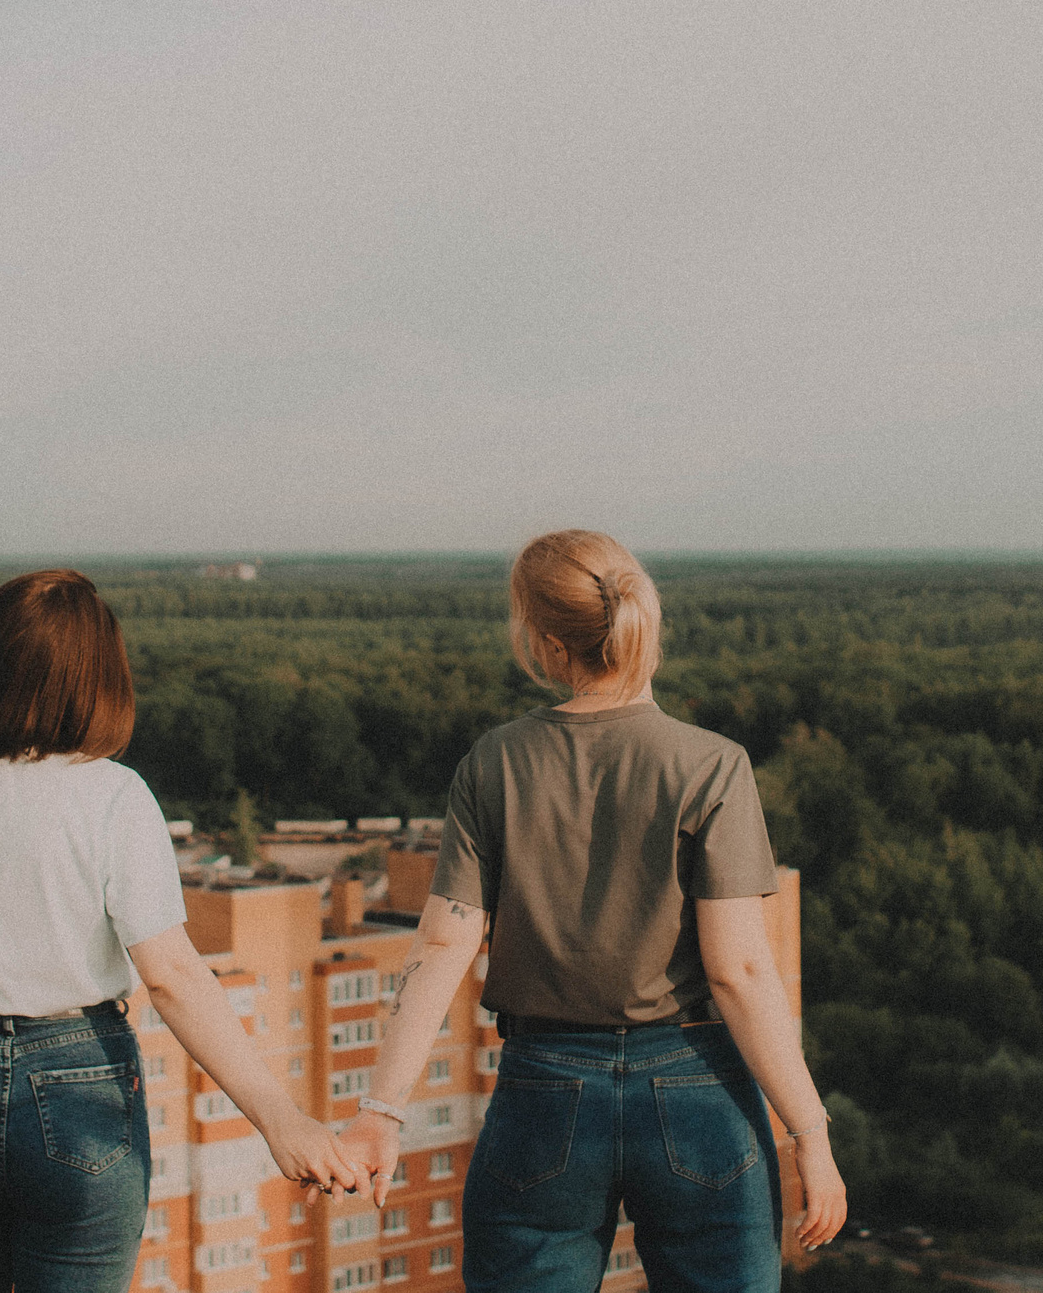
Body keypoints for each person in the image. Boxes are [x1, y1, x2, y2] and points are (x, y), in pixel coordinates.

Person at [336, 530, 846, 1293]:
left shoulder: (495, 761)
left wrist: (381, 1110)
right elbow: (739, 972)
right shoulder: (712, 765)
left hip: (544, 1090)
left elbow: (443, 945)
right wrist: (810, 1131)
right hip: (695, 1085)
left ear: (544, 644)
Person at [0, 569, 360, 1292]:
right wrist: (279, 1118)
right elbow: (170, 975)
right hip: (84, 1081)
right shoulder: (115, 795)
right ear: (96, 679)